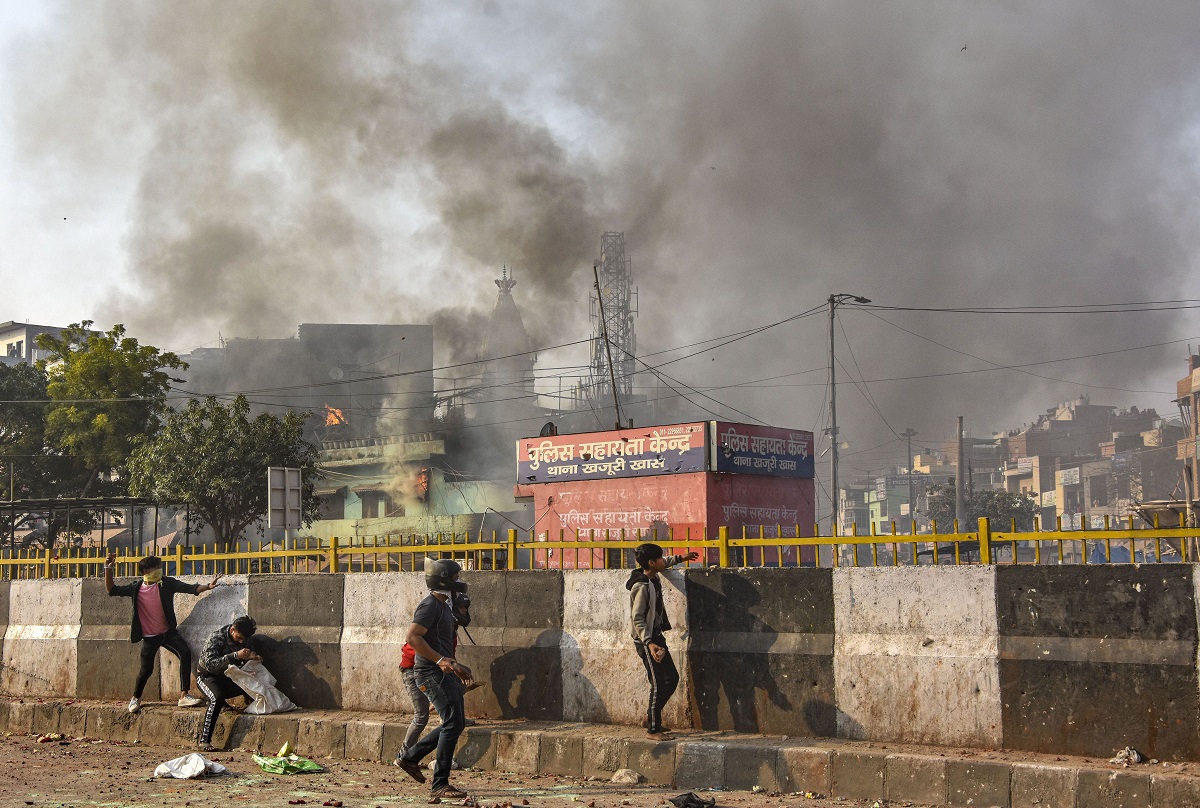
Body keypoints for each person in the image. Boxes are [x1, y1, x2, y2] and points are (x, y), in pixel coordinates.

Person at [393, 558, 474, 799]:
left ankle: (410, 758)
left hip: (442, 672)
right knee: (452, 722)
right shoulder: (430, 605)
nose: (459, 582)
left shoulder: (444, 607)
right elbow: (413, 637)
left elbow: (441, 643)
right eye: (455, 578)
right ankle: (440, 783)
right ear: (444, 581)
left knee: (455, 722)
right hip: (430, 673)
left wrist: (455, 664)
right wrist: (440, 660)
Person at [104, 552, 222, 713]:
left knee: (185, 653)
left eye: (160, 567)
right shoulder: (136, 588)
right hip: (150, 637)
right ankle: (136, 698)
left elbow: (189, 588)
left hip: (168, 633)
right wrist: (108, 569)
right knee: (146, 670)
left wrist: (207, 586)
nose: (160, 570)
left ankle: (183, 696)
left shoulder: (166, 583)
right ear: (146, 571)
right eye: (156, 568)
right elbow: (112, 590)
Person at [626, 543, 698, 740]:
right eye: (659, 558)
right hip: (646, 640)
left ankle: (650, 718)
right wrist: (649, 643)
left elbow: (664, 563)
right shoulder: (642, 586)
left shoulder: (652, 574)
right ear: (651, 562)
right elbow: (637, 618)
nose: (662, 561)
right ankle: (653, 730)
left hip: (656, 636)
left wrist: (681, 558)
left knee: (671, 678)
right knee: (658, 683)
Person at [396, 589, 477, 762]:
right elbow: (415, 649)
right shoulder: (433, 619)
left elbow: (448, 657)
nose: (464, 612)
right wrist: (440, 662)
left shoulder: (448, 629)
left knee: (456, 695)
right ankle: (403, 756)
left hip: (433, 671)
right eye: (462, 608)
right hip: (414, 670)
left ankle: (455, 719)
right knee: (421, 716)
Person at [195, 615, 261, 752]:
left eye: (244, 639)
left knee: (253, 684)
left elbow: (251, 650)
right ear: (232, 630)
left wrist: (253, 657)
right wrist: (234, 656)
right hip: (208, 677)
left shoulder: (246, 639)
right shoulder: (216, 638)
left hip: (229, 676)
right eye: (239, 638)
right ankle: (204, 741)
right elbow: (210, 664)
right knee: (216, 699)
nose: (242, 641)